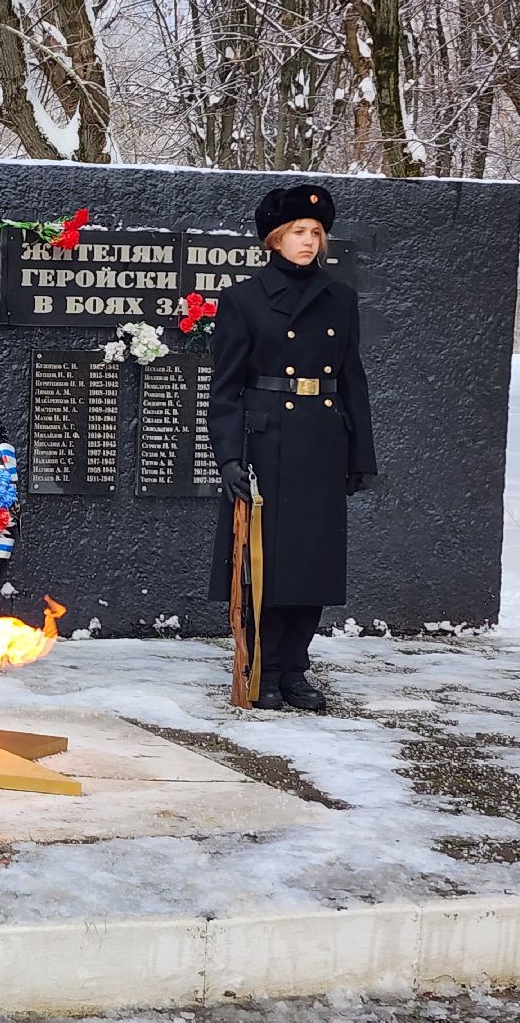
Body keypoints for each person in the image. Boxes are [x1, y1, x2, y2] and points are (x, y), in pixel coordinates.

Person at [207, 184, 377, 711]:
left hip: (323, 442)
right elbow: (227, 388)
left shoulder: (340, 298)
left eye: (316, 233)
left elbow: (352, 378)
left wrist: (360, 455)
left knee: (312, 564)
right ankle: (261, 666)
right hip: (266, 444)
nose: (309, 241)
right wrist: (230, 458)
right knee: (265, 564)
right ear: (274, 240)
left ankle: (295, 668)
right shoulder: (243, 300)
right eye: (298, 232)